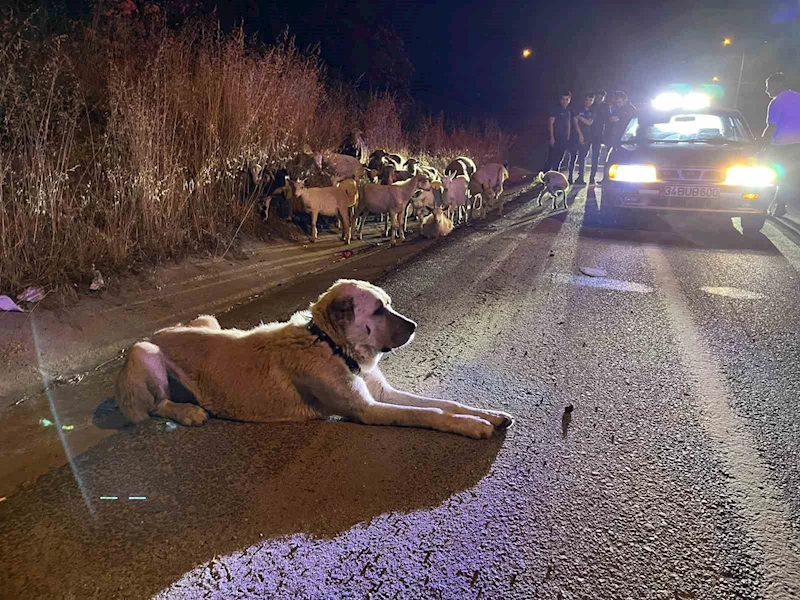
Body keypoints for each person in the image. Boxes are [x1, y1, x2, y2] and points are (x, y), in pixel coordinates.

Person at [761, 72, 800, 217]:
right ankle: (781, 204)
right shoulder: (798, 98)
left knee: (771, 176)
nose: (767, 90)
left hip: (780, 145)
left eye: (769, 86)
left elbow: (771, 126)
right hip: (797, 146)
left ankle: (764, 206)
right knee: (789, 177)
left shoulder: (777, 102)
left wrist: (761, 144)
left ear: (778, 84)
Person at [569, 92, 597, 185]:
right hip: (575, 136)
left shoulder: (593, 110)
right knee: (573, 157)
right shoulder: (577, 108)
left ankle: (580, 178)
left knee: (582, 158)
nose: (588, 102)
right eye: (587, 100)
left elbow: (589, 123)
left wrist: (580, 117)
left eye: (590, 100)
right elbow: (575, 123)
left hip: (587, 137)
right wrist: (580, 135)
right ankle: (570, 177)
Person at [544, 92, 572, 173]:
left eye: (567, 99)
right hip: (556, 137)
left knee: (560, 158)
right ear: (560, 99)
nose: (565, 101)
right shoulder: (555, 109)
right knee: (551, 158)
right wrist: (552, 137)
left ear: (569, 100)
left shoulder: (568, 110)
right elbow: (550, 123)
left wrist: (568, 135)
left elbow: (568, 123)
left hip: (564, 138)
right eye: (563, 99)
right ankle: (544, 175)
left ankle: (555, 174)